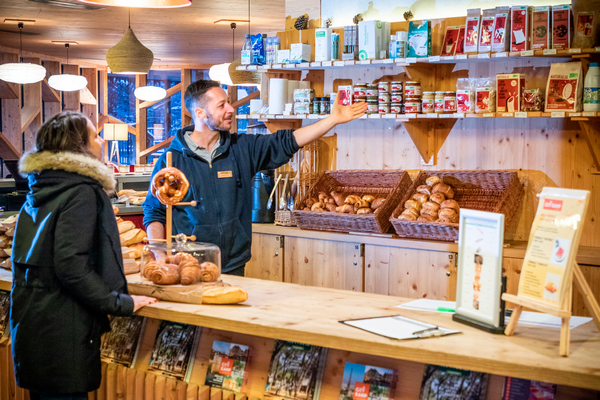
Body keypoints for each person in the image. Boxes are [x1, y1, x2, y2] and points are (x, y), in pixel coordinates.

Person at [144, 80, 367, 276]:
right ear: (201, 113)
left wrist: (333, 120)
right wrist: (158, 252)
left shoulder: (242, 149)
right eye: (222, 105)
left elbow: (287, 140)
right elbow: (155, 211)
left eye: (229, 102)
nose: (231, 109)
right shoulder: (171, 160)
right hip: (186, 265)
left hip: (232, 265)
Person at [10, 111, 157, 400]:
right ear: (80, 146)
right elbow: (71, 266)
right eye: (95, 135)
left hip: (34, 325)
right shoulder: (81, 192)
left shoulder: (41, 188)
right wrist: (120, 303)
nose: (101, 141)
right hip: (64, 331)